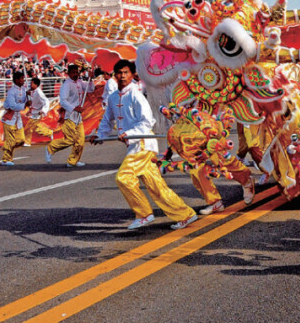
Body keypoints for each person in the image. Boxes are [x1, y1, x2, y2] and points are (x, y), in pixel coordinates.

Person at [93, 59, 198, 230]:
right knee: (156, 186)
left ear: (132, 74)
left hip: (142, 143)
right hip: (135, 144)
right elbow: (107, 120)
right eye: (119, 73)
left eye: (126, 72)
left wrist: (130, 134)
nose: (122, 76)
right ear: (115, 75)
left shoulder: (136, 95)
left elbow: (147, 121)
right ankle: (185, 214)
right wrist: (99, 136)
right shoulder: (113, 97)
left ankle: (144, 214)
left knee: (124, 177)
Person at [46, 63, 94, 167]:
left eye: (77, 72)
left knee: (80, 141)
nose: (75, 74)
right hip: (69, 116)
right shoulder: (67, 85)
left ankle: (73, 161)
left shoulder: (80, 82)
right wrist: (75, 108)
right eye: (73, 72)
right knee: (70, 139)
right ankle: (51, 148)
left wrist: (91, 79)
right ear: (68, 73)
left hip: (78, 117)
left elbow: (90, 89)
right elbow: (63, 101)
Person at [0, 71, 30, 165]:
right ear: (16, 80)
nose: (23, 80)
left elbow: (26, 101)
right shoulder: (11, 91)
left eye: (23, 78)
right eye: (21, 78)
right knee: (10, 140)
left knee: (21, 140)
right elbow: (13, 106)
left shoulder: (24, 89)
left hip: (18, 119)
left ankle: (7, 147)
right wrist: (24, 105)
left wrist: (29, 95)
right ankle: (6, 159)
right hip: (9, 118)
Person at [24, 77, 53, 146]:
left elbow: (46, 101)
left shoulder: (39, 92)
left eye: (32, 83)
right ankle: (49, 133)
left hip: (37, 113)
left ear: (36, 85)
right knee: (36, 128)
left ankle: (27, 142)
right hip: (34, 112)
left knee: (28, 127)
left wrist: (43, 110)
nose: (30, 84)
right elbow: (33, 99)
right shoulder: (34, 91)